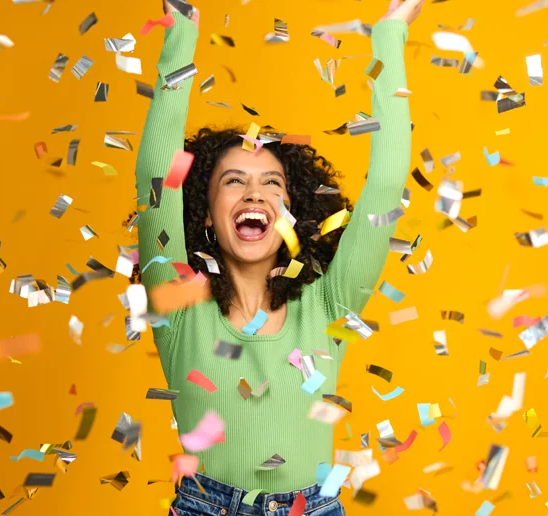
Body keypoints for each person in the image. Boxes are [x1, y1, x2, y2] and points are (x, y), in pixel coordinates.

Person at [134, 0, 422, 514]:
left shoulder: (330, 301)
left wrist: (389, 37)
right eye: (233, 181)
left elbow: (385, 188)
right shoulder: (178, 303)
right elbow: (157, 174)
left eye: (272, 184)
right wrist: (181, 28)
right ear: (204, 212)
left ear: (293, 211)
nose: (255, 194)